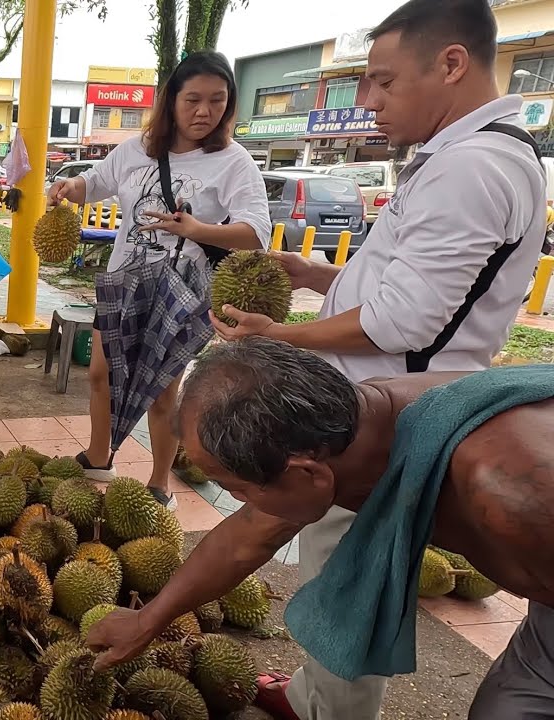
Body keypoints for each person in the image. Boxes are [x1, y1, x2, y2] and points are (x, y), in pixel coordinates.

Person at [203, 2, 548, 717]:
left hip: (390, 418)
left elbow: (402, 319)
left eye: (384, 82)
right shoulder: (456, 159)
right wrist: (316, 275)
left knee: (344, 570)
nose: (367, 101)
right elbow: (411, 285)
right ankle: (310, 694)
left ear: (451, 64)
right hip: (376, 396)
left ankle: (332, 712)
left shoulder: (474, 168)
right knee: (333, 568)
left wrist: (273, 335)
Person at [85, 337, 554, 718]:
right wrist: (148, 619)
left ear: (306, 473)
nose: (236, 502)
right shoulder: (352, 426)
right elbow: (245, 539)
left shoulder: (512, 497)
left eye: (238, 489)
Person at [48, 51, 270, 508]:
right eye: (192, 100)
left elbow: (256, 233)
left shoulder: (234, 161)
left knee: (161, 389)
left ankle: (159, 482)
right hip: (125, 282)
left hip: (181, 292)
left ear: (228, 106)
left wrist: (197, 230)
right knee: (100, 373)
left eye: (216, 101)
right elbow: (95, 182)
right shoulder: (138, 148)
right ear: (171, 101)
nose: (203, 112)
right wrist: (70, 189)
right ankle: (98, 456)